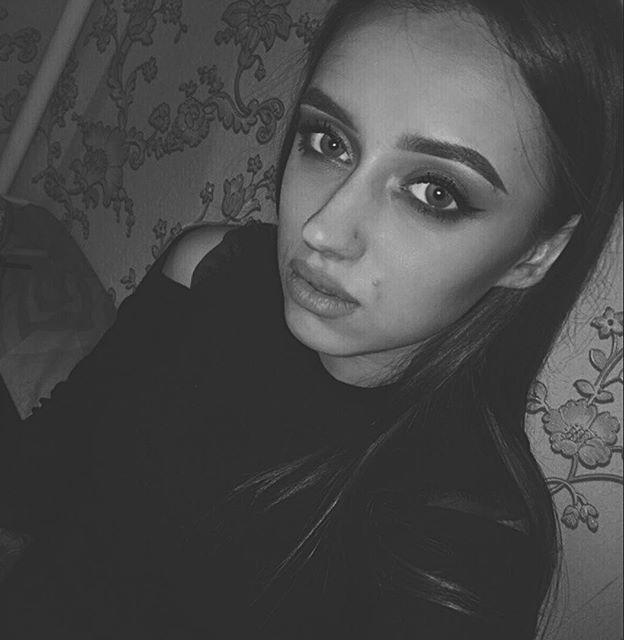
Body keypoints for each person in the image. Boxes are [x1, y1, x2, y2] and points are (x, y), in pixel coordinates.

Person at [0, 0, 621, 638]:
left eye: (434, 192)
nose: (321, 229)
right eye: (330, 142)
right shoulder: (208, 272)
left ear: (535, 253)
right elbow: (37, 477)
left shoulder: (459, 551)